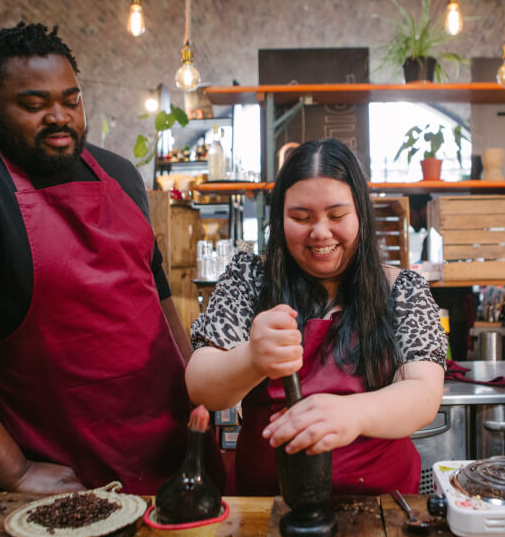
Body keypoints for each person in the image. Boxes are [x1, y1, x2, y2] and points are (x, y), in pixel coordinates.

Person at [0, 22, 219, 495]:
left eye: (71, 100)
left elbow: (158, 293)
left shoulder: (119, 173)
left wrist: (201, 392)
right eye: (34, 104)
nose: (59, 117)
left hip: (173, 443)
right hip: (63, 466)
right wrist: (15, 470)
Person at [186, 138, 447, 495]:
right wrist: (252, 358)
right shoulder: (249, 278)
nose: (320, 232)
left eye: (337, 216)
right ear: (279, 218)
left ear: (361, 215)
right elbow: (201, 386)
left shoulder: (402, 289)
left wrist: (353, 414)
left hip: (382, 507)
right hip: (267, 507)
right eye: (301, 217)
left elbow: (423, 393)